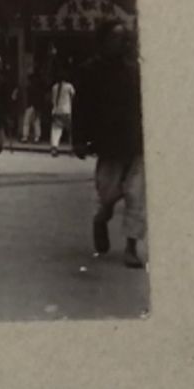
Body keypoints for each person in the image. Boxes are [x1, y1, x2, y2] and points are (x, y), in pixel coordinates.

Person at [73, 21, 146, 268]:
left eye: (125, 38)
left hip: (135, 140)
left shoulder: (136, 70)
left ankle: (131, 247)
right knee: (108, 193)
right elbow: (81, 108)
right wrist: (80, 139)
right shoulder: (90, 70)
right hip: (108, 142)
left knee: (136, 195)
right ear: (103, 41)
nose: (122, 42)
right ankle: (101, 218)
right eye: (115, 38)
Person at [49, 70, 75, 153]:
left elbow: (52, 99)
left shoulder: (54, 87)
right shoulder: (69, 86)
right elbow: (73, 95)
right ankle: (72, 146)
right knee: (70, 129)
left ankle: (55, 146)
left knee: (56, 130)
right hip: (66, 110)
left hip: (56, 110)